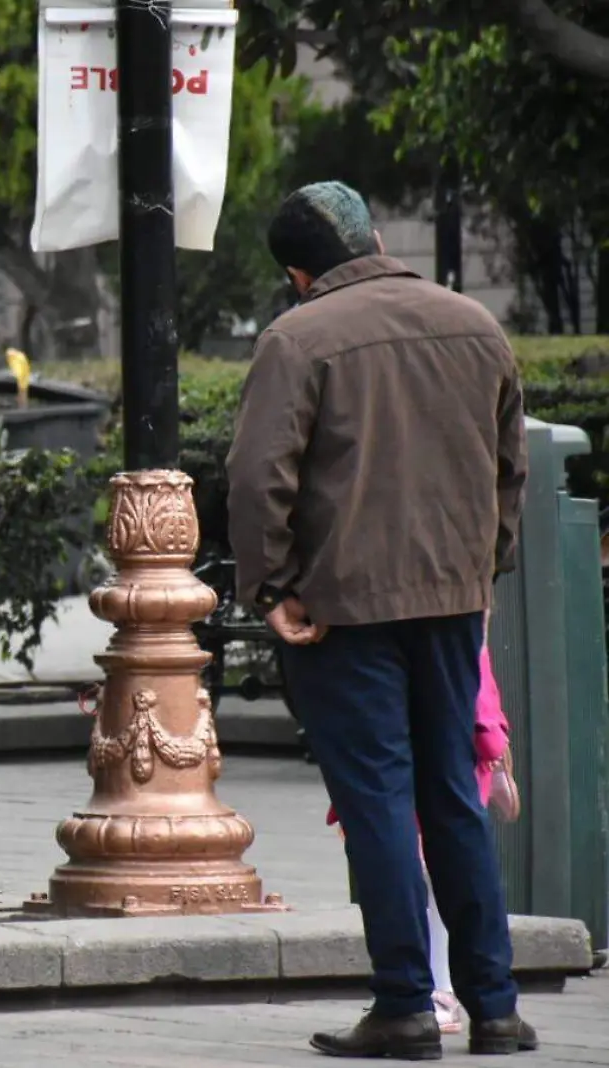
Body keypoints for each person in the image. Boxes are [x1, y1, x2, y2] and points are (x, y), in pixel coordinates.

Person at [227, 181, 532, 1059]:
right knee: (454, 799)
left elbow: (258, 480)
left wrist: (274, 588)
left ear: (297, 272)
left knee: (380, 806)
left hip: (344, 612)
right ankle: (496, 1007)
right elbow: (508, 469)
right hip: (451, 600)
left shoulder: (297, 339)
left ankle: (405, 1002)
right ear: (371, 237)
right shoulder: (474, 324)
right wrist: (483, 567)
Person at [323, 635, 518, 1037]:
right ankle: (491, 1006)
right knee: (451, 832)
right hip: (448, 608)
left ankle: (414, 999)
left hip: (363, 622)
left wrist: (272, 592)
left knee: (389, 827)